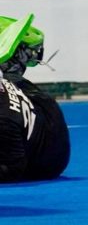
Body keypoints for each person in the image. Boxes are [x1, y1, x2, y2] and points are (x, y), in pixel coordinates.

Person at [0, 15, 70, 183]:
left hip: (34, 164)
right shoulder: (16, 88)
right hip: (49, 157)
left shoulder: (4, 111)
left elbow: (11, 168)